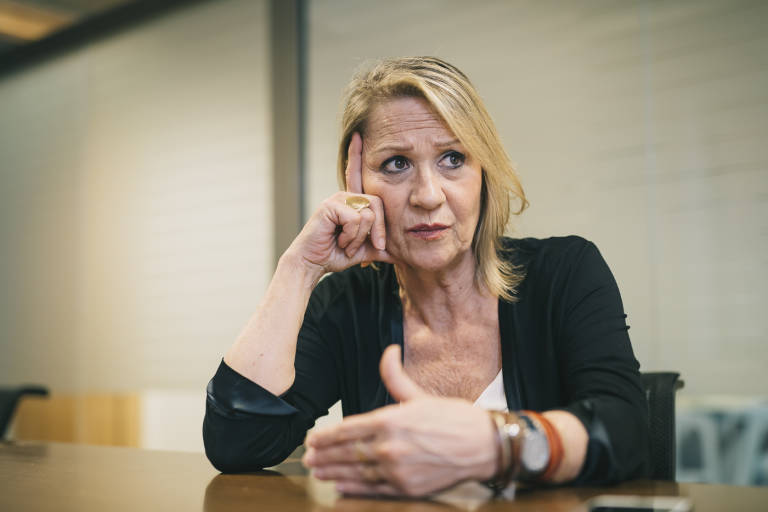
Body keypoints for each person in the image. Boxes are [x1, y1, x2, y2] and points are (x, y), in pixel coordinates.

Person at [203, 56, 648, 497]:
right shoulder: (346, 303)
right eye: (396, 164)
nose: (428, 196)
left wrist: (499, 445)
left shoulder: (564, 272)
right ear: (358, 185)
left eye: (453, 158)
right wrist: (300, 267)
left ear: (484, 172)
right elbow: (237, 444)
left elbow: (625, 433)